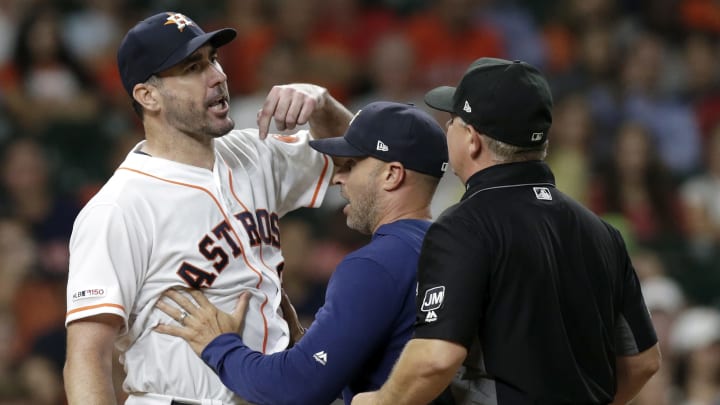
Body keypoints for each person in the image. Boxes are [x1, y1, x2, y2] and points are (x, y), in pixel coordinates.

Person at [63, 11, 353, 405]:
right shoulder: (119, 207)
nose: (218, 75)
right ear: (147, 96)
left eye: (213, 59)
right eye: (193, 67)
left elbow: (362, 164)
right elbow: (86, 358)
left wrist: (321, 104)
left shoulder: (255, 152)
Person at [353, 58, 662, 405]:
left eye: (452, 121)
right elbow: (642, 362)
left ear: (471, 139)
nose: (447, 127)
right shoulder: (602, 232)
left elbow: (435, 358)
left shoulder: (462, 226)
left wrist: (378, 401)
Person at [153, 101, 451, 405]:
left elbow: (295, 388)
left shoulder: (373, 264)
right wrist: (315, 342)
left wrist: (220, 346)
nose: (338, 177)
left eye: (351, 165)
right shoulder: (447, 246)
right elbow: (391, 356)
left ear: (392, 175)